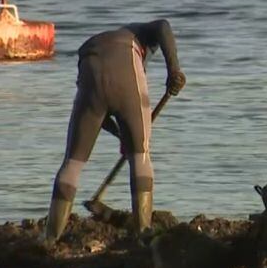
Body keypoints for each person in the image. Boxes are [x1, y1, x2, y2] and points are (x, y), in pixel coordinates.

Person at [43, 20, 186, 244]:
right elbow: (164, 26)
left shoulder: (99, 44)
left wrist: (122, 133)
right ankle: (143, 234)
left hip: (88, 65)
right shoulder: (136, 37)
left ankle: (50, 239)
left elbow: (98, 115)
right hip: (125, 60)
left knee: (73, 162)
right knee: (140, 156)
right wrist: (174, 70)